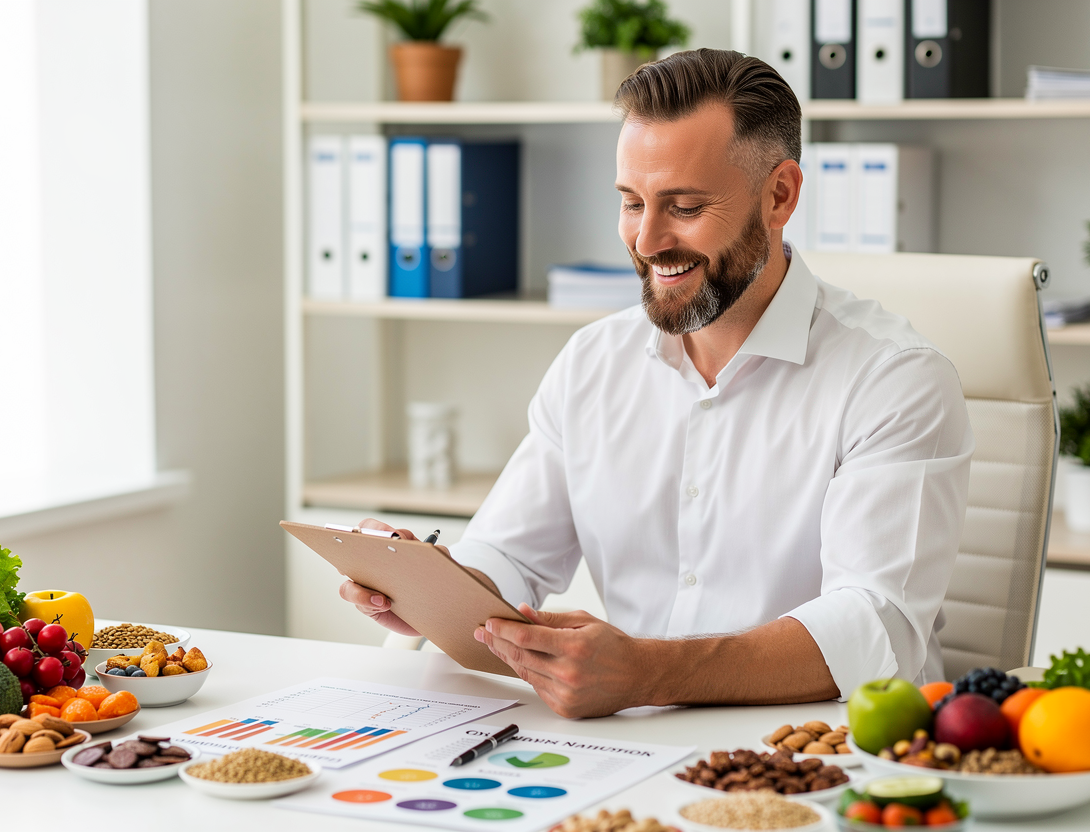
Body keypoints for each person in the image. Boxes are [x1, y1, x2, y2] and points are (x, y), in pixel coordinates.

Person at [338, 49, 973, 719]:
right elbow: (508, 554)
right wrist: (429, 591)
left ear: (780, 195)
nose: (646, 239)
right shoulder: (594, 362)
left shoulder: (896, 378)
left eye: (685, 207)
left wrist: (647, 673)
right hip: (635, 747)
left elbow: (876, 628)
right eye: (632, 203)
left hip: (833, 755)